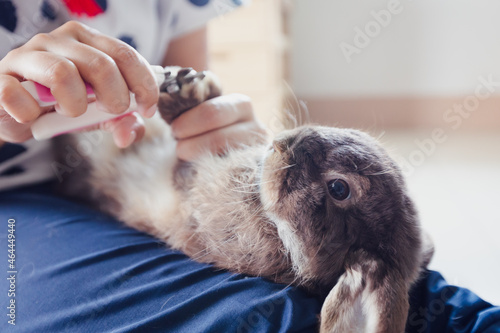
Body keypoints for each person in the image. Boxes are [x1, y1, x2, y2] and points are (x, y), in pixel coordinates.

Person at [0, 1, 499, 332]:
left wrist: (212, 118)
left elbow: (189, 88)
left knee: (432, 300)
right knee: (264, 319)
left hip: (143, 162)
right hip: (18, 205)